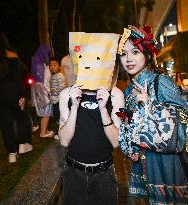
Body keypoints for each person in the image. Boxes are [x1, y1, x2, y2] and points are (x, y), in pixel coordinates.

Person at [117, 25, 188, 204]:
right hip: (140, 165)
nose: (128, 58)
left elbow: (185, 124)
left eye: (135, 51)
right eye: (123, 53)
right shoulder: (129, 90)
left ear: (147, 54)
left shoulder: (161, 82)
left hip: (165, 164)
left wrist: (148, 105)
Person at [59, 32, 125, 205]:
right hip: (74, 173)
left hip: (104, 174)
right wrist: (74, 106)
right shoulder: (67, 94)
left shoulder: (115, 94)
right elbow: (64, 141)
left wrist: (104, 109)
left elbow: (117, 142)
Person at [0, 33, 33, 163]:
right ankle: (23, 144)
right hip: (12, 93)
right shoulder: (10, 55)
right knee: (23, 117)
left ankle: (11, 153)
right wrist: (22, 95)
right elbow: (17, 78)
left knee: (6, 124)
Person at [31, 45, 54, 138]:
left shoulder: (40, 64)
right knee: (46, 114)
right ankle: (43, 133)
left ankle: (45, 130)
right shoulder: (40, 67)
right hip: (44, 95)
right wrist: (50, 92)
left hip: (43, 94)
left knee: (46, 114)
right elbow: (43, 84)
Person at [49, 57, 67, 123]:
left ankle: (62, 131)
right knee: (57, 118)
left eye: (55, 65)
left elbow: (62, 87)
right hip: (55, 100)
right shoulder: (53, 76)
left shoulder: (59, 75)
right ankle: (60, 130)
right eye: (50, 65)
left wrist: (54, 92)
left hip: (59, 101)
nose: (52, 67)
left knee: (60, 118)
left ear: (59, 66)